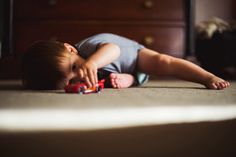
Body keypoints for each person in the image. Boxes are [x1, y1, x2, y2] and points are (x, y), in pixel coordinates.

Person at [22, 33, 230, 90]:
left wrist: (92, 63)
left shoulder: (87, 47)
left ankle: (206, 75)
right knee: (113, 81)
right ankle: (131, 79)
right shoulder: (82, 74)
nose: (80, 76)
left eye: (75, 67)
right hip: (124, 72)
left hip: (135, 56)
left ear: (70, 48)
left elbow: (113, 50)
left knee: (164, 61)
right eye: (69, 81)